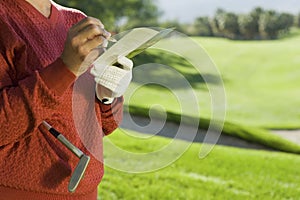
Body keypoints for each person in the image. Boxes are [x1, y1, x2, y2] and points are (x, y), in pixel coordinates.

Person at [0, 0, 133, 199]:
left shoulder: (76, 20)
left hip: (85, 191)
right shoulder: (5, 19)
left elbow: (106, 125)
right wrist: (66, 68)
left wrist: (106, 96)